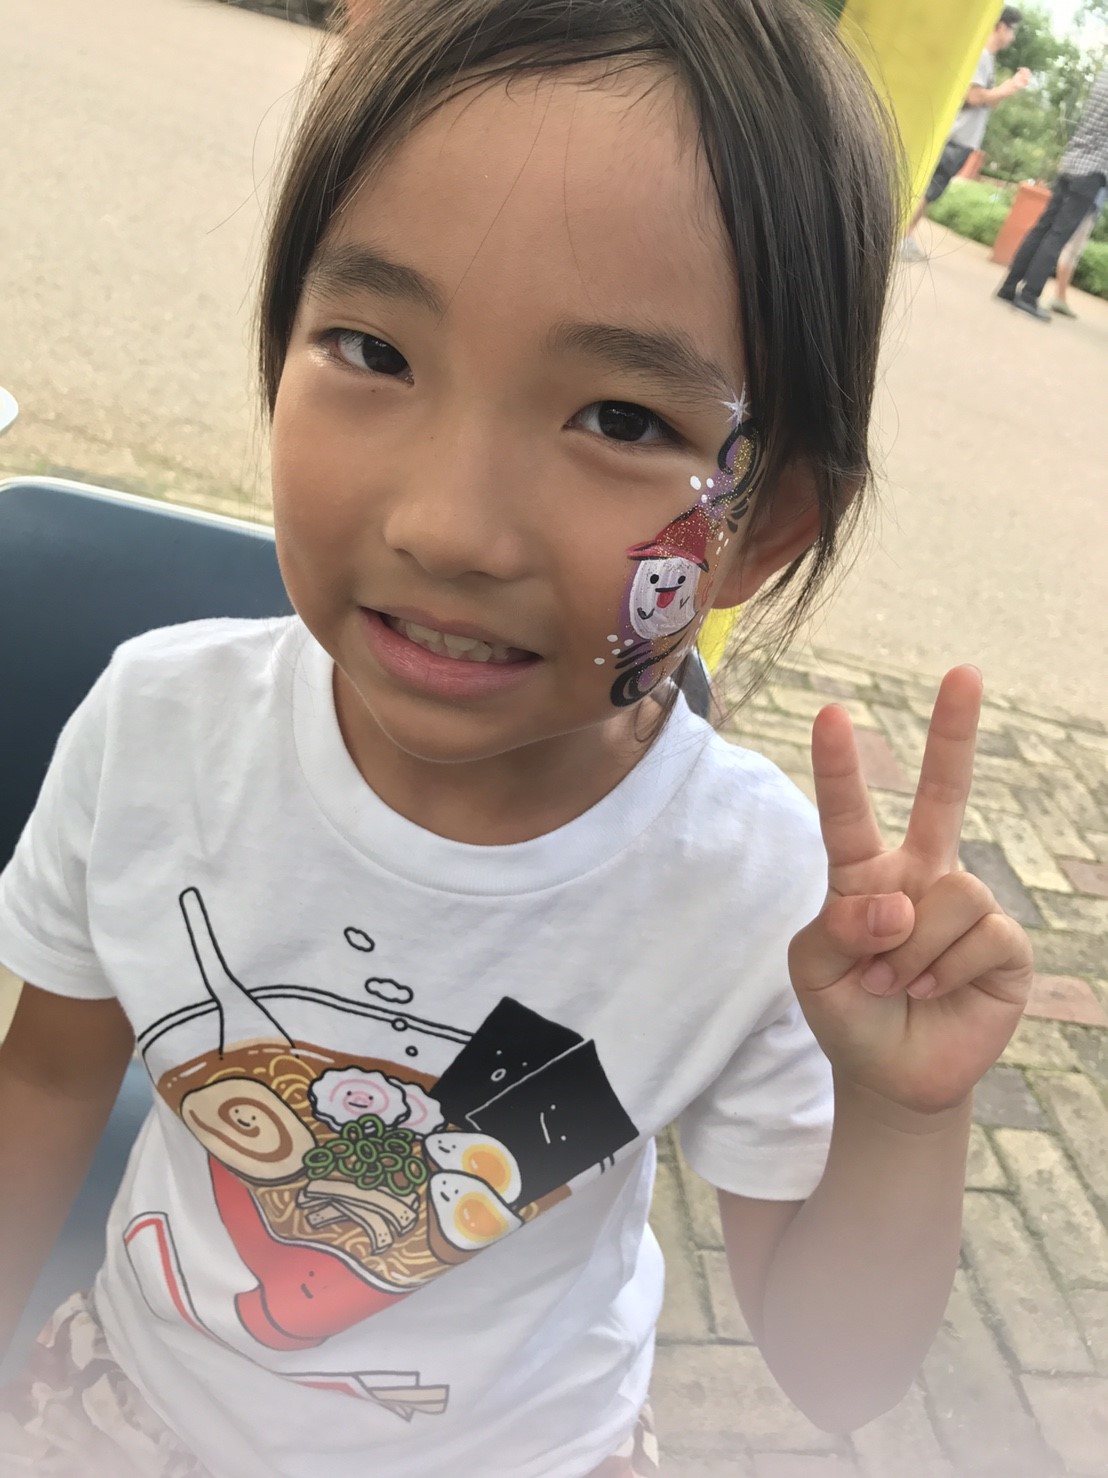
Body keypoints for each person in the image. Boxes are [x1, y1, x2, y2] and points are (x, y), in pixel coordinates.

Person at [0, 0, 1034, 1474]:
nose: (449, 525)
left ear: (763, 529)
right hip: (134, 1404)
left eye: (619, 418)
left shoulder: (759, 893)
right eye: (372, 347)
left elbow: (835, 1370)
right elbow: (45, 1080)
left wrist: (902, 1113)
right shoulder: (155, 733)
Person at [902, 6, 1029, 262]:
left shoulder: (987, 58)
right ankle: (901, 236)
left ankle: (905, 235)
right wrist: (1008, 88)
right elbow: (974, 96)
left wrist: (1010, 88)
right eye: (1012, 30)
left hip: (962, 139)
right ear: (1001, 26)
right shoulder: (982, 56)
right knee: (929, 189)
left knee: (932, 190)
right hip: (957, 136)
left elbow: (987, 101)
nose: (1012, 37)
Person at [998, 66, 1108, 319]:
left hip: (1071, 163)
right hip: (1091, 172)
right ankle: (1029, 296)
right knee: (1058, 235)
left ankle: (1008, 286)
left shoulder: (1104, 76)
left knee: (1042, 227)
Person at [1049, 183, 1108, 317]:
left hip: (1084, 202)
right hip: (1088, 204)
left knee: (1071, 251)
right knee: (1071, 251)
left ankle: (1061, 296)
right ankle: (1059, 297)